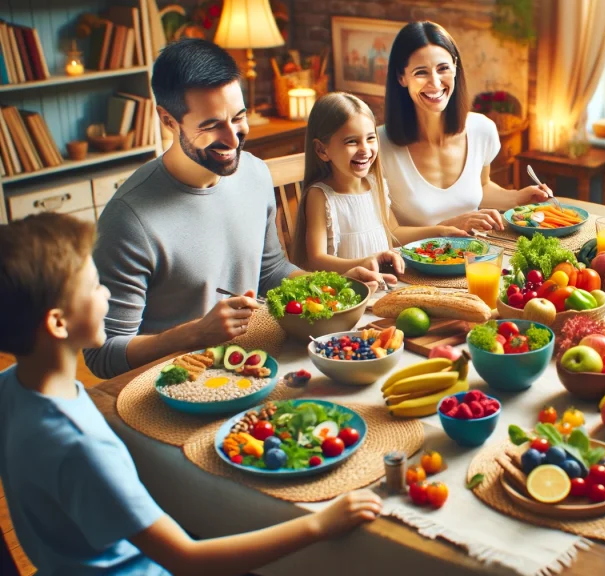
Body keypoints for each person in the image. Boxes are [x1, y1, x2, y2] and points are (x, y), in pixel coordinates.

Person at [0, 213, 383, 576]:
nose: (107, 294)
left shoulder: (12, 386)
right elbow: (187, 563)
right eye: (95, 286)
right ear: (57, 323)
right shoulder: (81, 445)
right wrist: (319, 524)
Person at [84, 39, 381, 380]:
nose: (233, 138)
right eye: (211, 126)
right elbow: (101, 355)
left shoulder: (254, 173)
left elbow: (270, 273)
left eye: (238, 117)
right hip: (168, 385)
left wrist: (333, 284)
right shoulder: (129, 219)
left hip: (248, 370)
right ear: (168, 120)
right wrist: (194, 333)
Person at [378, 21, 552, 233]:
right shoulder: (377, 146)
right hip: (411, 265)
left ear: (455, 66)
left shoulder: (481, 130)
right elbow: (387, 234)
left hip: (474, 258)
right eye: (421, 72)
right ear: (401, 77)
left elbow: (481, 187)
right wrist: (448, 227)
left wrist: (517, 197)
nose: (435, 82)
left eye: (443, 68)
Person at [290, 92, 466, 274]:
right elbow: (317, 259)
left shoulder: (375, 184)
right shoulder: (320, 196)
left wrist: (439, 232)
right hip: (352, 292)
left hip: (386, 282)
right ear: (321, 150)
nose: (365, 149)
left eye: (370, 138)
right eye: (352, 141)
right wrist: (364, 263)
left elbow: (394, 231)